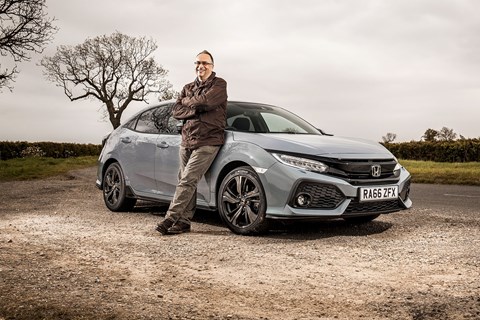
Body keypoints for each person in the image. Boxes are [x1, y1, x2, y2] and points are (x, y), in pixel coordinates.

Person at [156, 50, 228, 235]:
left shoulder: (220, 84)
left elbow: (206, 103)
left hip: (208, 140)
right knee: (185, 181)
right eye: (198, 63)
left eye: (205, 63)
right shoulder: (188, 87)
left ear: (212, 66)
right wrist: (195, 109)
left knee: (188, 180)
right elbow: (176, 111)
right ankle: (184, 222)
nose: (201, 66)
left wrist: (190, 103)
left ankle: (170, 218)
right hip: (187, 139)